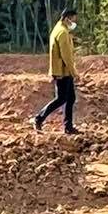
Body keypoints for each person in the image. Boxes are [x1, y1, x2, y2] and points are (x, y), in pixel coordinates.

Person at [34, 7, 80, 135]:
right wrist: (74, 72)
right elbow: (67, 56)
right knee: (61, 98)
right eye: (72, 20)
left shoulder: (58, 29)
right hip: (63, 72)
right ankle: (39, 118)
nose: (73, 23)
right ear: (66, 18)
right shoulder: (63, 33)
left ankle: (68, 126)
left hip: (62, 71)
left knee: (70, 98)